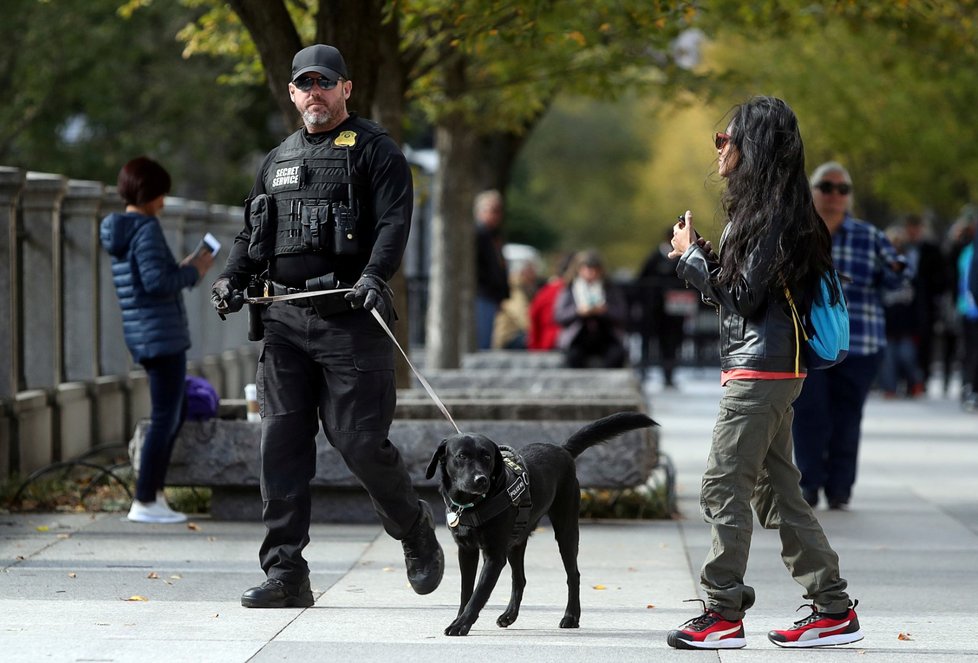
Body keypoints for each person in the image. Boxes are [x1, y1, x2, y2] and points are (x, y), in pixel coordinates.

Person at [209, 44, 443, 608]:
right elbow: (251, 233)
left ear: (346, 88)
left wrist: (374, 276)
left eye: (325, 83)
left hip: (350, 320)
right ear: (291, 93)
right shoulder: (276, 159)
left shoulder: (375, 150)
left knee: (359, 442)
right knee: (281, 443)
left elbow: (394, 221)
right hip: (284, 322)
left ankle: (413, 529)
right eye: (304, 85)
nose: (314, 93)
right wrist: (231, 279)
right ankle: (286, 571)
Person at [665, 97, 862, 650]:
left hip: (761, 373)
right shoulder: (770, 211)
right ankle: (832, 608)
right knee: (779, 492)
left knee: (724, 484)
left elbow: (745, 300)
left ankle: (722, 611)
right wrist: (702, 251)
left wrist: (689, 260)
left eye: (726, 139)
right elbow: (746, 293)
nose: (719, 147)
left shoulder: (777, 214)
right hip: (767, 369)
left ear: (756, 146)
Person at [100, 156, 214, 524]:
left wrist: (179, 268)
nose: (164, 201)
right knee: (166, 417)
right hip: (161, 336)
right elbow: (156, 284)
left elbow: (149, 277)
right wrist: (194, 272)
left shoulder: (125, 230)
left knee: (174, 411)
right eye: (161, 193)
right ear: (149, 193)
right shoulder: (146, 228)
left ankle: (155, 496)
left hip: (147, 334)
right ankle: (145, 500)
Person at [792, 162, 909, 511]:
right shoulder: (795, 233)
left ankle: (840, 490)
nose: (834, 195)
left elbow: (898, 274)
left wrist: (897, 269)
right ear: (811, 190)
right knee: (809, 414)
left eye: (842, 189)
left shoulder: (868, 236)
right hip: (808, 344)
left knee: (847, 417)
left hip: (860, 342)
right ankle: (808, 486)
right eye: (826, 187)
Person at [635, 227, 694, 387]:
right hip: (653, 309)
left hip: (675, 311)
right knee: (649, 341)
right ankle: (644, 370)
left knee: (672, 342)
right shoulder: (654, 258)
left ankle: (668, 374)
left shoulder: (684, 258)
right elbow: (641, 281)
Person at [554, 250, 628, 368]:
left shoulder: (609, 288)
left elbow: (621, 314)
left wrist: (605, 311)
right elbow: (559, 316)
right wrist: (578, 311)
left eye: (594, 269)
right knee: (573, 357)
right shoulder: (570, 289)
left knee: (616, 356)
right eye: (587, 269)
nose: (591, 273)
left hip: (606, 335)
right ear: (579, 269)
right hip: (578, 337)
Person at [901, 213, 948, 389]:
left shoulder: (932, 250)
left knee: (924, 342)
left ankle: (921, 380)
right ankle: (906, 380)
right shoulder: (900, 248)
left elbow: (942, 278)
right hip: (903, 305)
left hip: (924, 304)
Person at [879, 225, 924, 398]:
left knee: (907, 356)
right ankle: (890, 388)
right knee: (888, 359)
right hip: (887, 324)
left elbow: (917, 300)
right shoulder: (880, 269)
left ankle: (915, 383)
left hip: (907, 324)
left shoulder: (909, 271)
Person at [474, 190, 510, 349]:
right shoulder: (479, 234)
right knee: (482, 340)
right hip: (482, 293)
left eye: (498, 211)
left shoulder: (493, 235)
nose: (496, 215)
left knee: (488, 339)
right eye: (492, 210)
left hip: (490, 295)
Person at [527, 251, 573, 351]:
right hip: (565, 344)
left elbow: (533, 320)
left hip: (545, 344)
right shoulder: (572, 291)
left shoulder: (545, 292)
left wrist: (534, 348)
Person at [492, 260, 538, 350]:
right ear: (523, 272)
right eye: (531, 271)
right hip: (508, 338)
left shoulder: (520, 288)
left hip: (512, 335)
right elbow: (522, 318)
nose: (534, 275)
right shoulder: (515, 290)